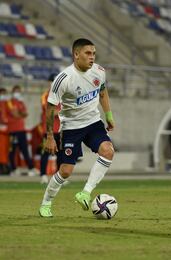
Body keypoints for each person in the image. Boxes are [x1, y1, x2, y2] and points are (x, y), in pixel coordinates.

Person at [38, 38, 115, 218]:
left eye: (94, 53)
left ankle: (85, 193)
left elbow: (102, 92)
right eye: (88, 53)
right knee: (65, 171)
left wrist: (109, 116)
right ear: (76, 54)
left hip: (93, 122)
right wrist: (50, 136)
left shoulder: (99, 72)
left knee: (108, 151)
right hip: (72, 127)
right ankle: (46, 203)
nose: (92, 57)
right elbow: (50, 108)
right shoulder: (63, 79)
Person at [6, 85, 37, 176]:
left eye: (19, 91)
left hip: (21, 129)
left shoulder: (21, 102)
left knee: (24, 150)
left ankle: (31, 168)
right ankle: (13, 169)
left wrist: (19, 113)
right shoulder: (9, 102)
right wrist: (20, 114)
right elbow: (15, 114)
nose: (18, 93)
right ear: (13, 92)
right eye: (16, 91)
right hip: (12, 130)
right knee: (12, 150)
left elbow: (25, 114)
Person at [39, 74, 61, 184]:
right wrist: (61, 112)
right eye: (51, 80)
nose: (53, 83)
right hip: (48, 130)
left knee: (60, 154)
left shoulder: (61, 96)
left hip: (60, 130)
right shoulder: (45, 96)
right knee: (45, 153)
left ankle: (58, 177)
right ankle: (43, 175)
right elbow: (50, 112)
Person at [0, 88, 10, 175]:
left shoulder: (8, 104)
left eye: (4, 93)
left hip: (6, 131)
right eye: (2, 93)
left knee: (5, 149)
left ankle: (5, 166)